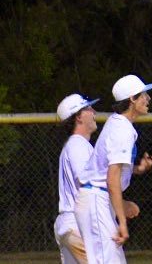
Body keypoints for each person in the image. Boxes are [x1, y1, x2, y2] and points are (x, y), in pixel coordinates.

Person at [75, 74, 152, 264]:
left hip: (97, 198)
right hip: (97, 199)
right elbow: (112, 179)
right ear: (132, 98)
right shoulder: (123, 130)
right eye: (144, 94)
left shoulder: (118, 122)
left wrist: (137, 169)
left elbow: (110, 168)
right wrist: (122, 220)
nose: (148, 99)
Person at [54, 93, 102, 264]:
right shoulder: (77, 144)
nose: (94, 111)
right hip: (78, 224)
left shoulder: (78, 144)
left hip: (71, 223)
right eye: (88, 108)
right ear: (79, 117)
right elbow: (87, 180)